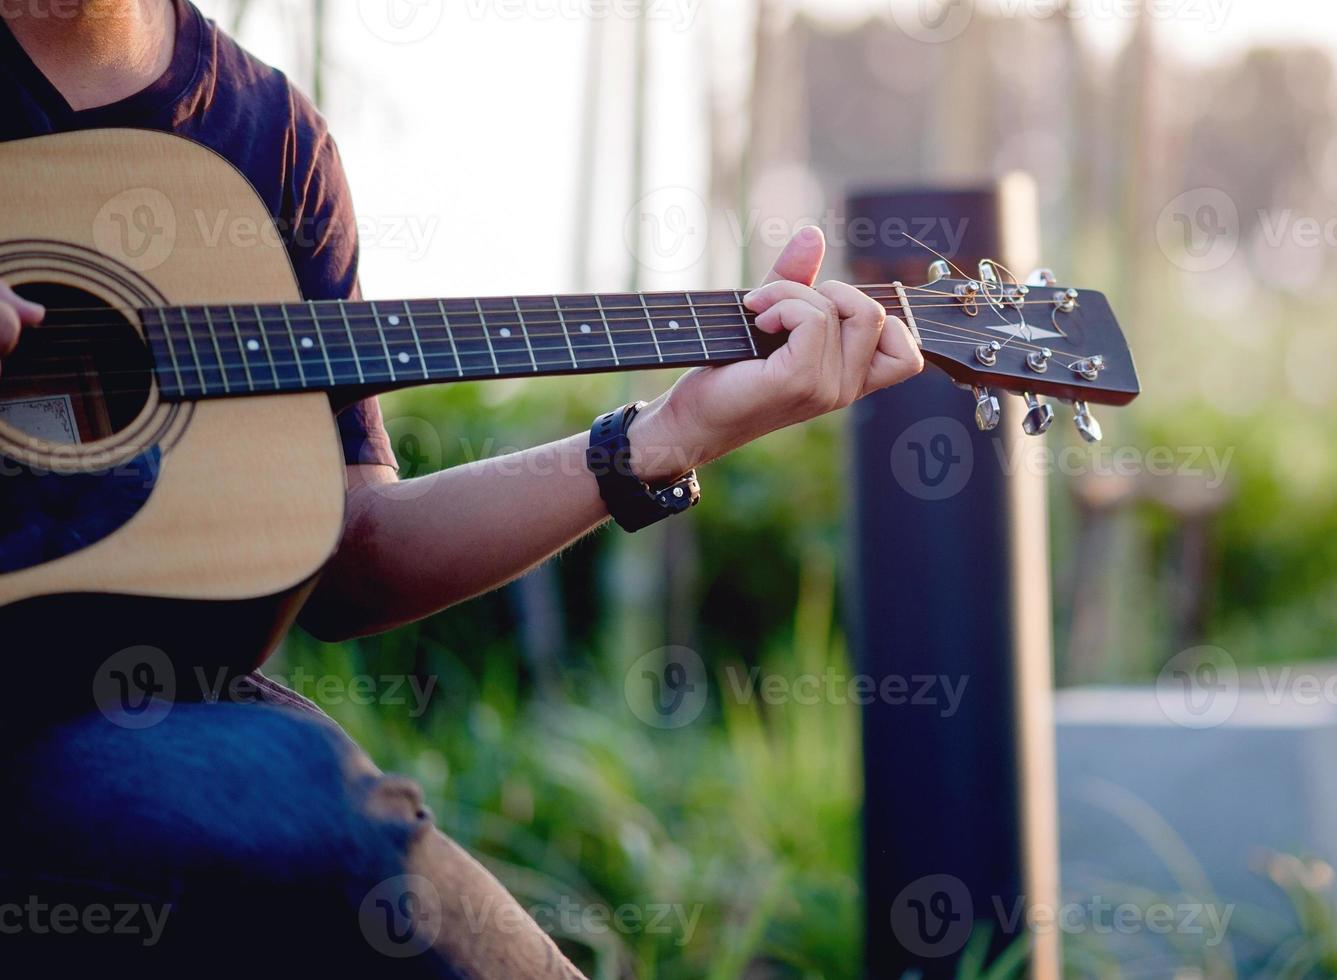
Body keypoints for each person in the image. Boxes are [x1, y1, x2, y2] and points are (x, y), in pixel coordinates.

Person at [0, 0, 923, 973]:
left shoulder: (263, 138)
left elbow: (356, 553)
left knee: (346, 842)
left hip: (115, 707)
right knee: (288, 792)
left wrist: (669, 436)